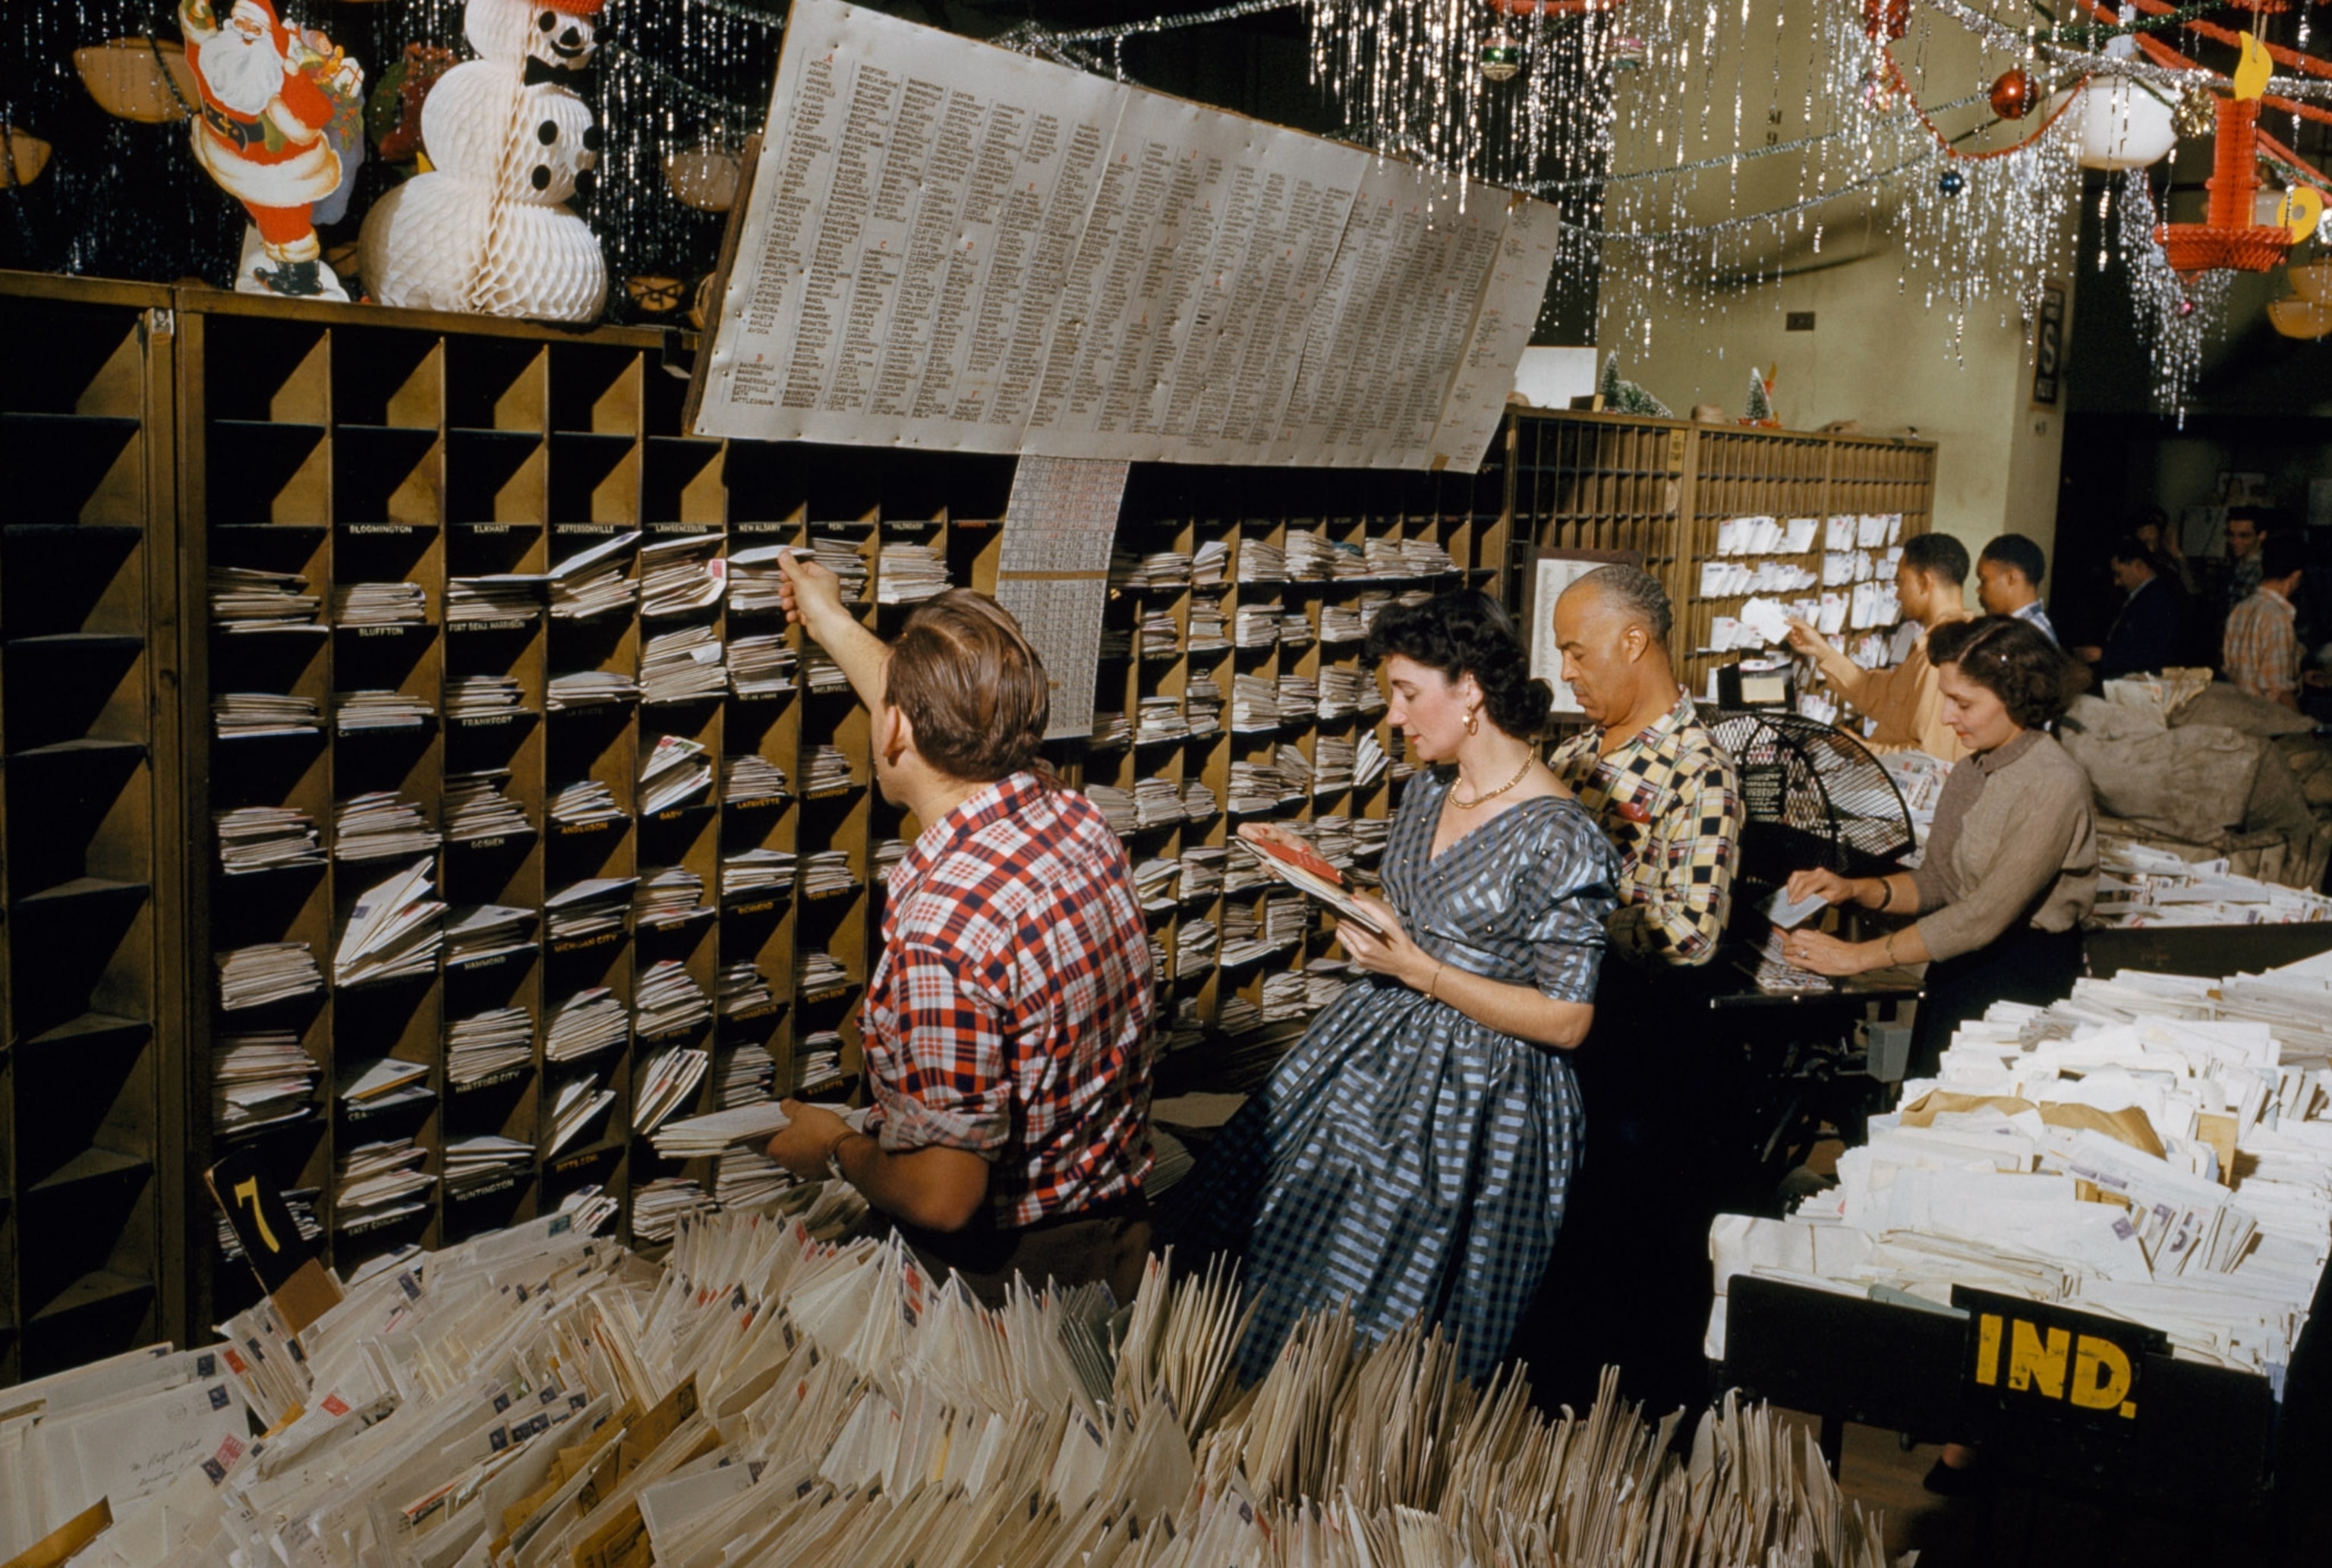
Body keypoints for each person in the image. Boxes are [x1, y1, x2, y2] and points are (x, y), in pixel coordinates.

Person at [1161, 592, 1617, 1387]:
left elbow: (1569, 1017)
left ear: (1470, 688)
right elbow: (1423, 918)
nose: (1396, 716)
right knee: (1266, 1239)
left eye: (1408, 692)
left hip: (1483, 1101)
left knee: (1388, 1322)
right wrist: (1367, 918)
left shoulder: (1561, 833)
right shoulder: (1426, 795)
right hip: (1370, 1059)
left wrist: (1423, 971)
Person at [762, 553, 1158, 1308]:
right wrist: (829, 620)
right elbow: (938, 702)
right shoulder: (1067, 813)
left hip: (1001, 1281)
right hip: (1115, 1248)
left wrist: (836, 1147)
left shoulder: (945, 926)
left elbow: (945, 1196)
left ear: (894, 730)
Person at [1524, 565, 1744, 1418]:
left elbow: (1690, 934)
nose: (1567, 671)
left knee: (1639, 1260)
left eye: (1577, 652)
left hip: (1644, 1053)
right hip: (1564, 1041)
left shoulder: (1700, 773)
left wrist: (1569, 913)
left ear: (1633, 641)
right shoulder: (1576, 754)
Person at [1779, 616, 2095, 1082]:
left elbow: (1984, 915)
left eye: (1962, 703)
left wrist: (1857, 957)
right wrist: (1855, 890)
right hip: (1960, 965)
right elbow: (1939, 882)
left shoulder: (2054, 783)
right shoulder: (1973, 770)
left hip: (2023, 980)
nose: (1947, 717)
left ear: (2016, 697)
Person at [1786, 533, 1973, 762]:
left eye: (1901, 581)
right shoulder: (1945, 639)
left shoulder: (1943, 653)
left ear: (1925, 583)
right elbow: (1882, 695)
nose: (1896, 593)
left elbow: (1930, 757)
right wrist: (1822, 652)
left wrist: (1860, 749)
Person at [2075, 536, 2182, 679]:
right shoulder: (2141, 595)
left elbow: (2153, 652)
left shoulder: (2160, 599)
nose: (2116, 582)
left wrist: (2102, 655)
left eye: (2119, 574)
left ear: (2139, 566)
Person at [2224, 531, 2306, 709]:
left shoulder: (2241, 609)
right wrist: (2303, 731)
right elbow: (2279, 691)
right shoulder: (2277, 617)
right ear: (2295, 576)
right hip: (2267, 722)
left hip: (2241, 713)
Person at [1976, 534, 2057, 644]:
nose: (1979, 590)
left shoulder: (2028, 639)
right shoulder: (2019, 628)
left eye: (1983, 580)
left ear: (2011, 578)